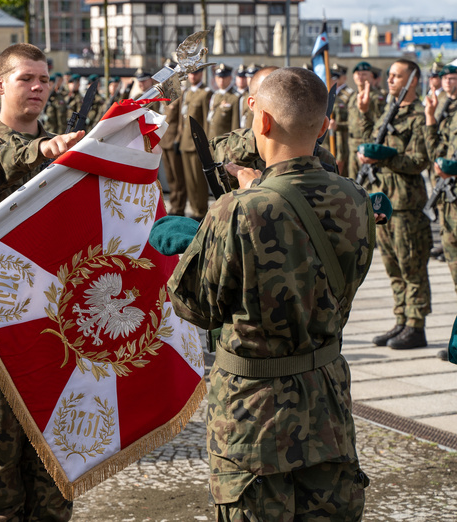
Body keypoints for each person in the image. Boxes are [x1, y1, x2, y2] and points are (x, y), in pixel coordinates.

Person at [169, 67, 374, 520]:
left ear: (260, 123)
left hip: (253, 417)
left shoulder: (239, 209)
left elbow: (192, 305)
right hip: (328, 405)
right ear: (324, 128)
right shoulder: (356, 198)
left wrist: (226, 216)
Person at [0, 43, 84, 521]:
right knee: (0, 467)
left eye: (44, 80)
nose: (36, 88)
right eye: (25, 78)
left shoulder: (64, 148)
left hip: (55, 326)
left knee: (56, 471)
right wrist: (46, 152)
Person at [357, 59, 431, 350]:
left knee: (412, 266)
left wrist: (383, 157)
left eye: (396, 76)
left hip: (405, 202)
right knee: (392, 266)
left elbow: (418, 160)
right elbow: (369, 142)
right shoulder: (388, 110)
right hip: (382, 199)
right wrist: (364, 117)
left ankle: (416, 325)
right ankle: (401, 320)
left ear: (412, 81)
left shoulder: (420, 115)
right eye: (388, 75)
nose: (390, 80)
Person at [424, 66, 457, 360]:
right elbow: (433, 152)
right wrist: (431, 118)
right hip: (449, 207)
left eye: (453, 77)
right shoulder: (447, 110)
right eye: (446, 77)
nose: (448, 81)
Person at [177, 68, 212, 218]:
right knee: (190, 182)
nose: (193, 76)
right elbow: (181, 118)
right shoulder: (187, 92)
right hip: (185, 142)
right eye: (191, 73)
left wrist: (204, 144)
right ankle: (193, 209)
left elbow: (206, 121)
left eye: (196, 73)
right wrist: (179, 139)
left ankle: (201, 211)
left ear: (201, 74)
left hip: (197, 143)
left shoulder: (205, 93)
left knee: (199, 181)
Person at [206, 63, 240, 140]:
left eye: (224, 77)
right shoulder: (215, 95)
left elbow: (235, 125)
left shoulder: (235, 97)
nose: (221, 80)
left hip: (224, 143)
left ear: (230, 78)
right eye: (219, 77)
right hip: (212, 140)